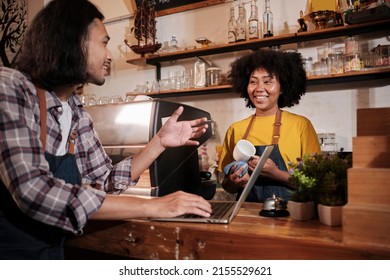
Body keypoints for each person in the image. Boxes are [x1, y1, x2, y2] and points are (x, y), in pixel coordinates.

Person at [0, 0, 211, 260]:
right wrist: (153, 206)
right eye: (104, 42)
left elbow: (104, 183)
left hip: (51, 252)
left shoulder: (76, 111)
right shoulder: (10, 88)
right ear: (72, 41)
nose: (110, 55)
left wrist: (159, 142)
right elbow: (33, 190)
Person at [217, 49, 321, 203]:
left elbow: (315, 184)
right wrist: (234, 181)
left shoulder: (301, 125)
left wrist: (277, 173)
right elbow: (227, 185)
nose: (259, 88)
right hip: (247, 217)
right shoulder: (235, 129)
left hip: (289, 217)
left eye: (267, 81)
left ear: (282, 87)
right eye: (253, 81)